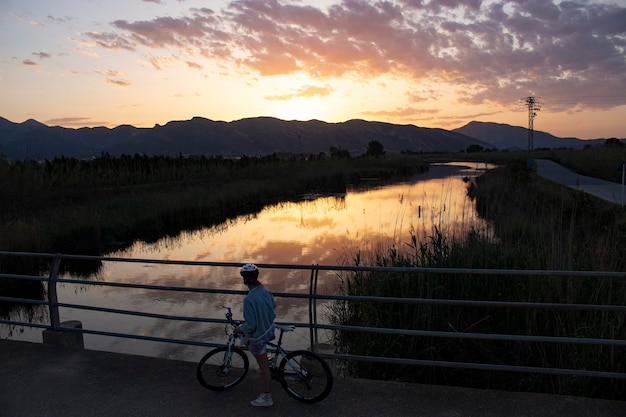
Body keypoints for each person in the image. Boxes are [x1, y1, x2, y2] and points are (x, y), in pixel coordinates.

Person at [234, 263, 276, 407]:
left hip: (259, 335)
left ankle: (266, 397)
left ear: (244, 279)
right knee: (264, 360)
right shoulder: (266, 291)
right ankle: (267, 362)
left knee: (263, 367)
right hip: (269, 328)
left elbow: (251, 326)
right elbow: (273, 308)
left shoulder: (249, 300)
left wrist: (240, 328)